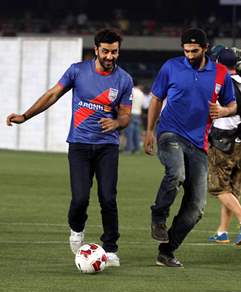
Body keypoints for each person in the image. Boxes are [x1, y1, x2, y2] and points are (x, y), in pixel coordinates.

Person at [6, 28, 133, 267]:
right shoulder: (77, 71)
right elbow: (52, 94)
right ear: (96, 50)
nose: (110, 56)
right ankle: (77, 230)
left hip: (107, 146)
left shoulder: (124, 79)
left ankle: (111, 248)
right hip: (79, 145)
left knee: (108, 198)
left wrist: (116, 123)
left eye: (114, 52)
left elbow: (126, 116)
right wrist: (25, 116)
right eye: (105, 51)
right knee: (80, 198)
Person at [144, 28, 237, 267]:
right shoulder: (171, 67)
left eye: (194, 51)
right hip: (169, 133)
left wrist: (224, 111)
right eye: (186, 50)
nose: (189, 55)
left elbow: (232, 103)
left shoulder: (220, 73)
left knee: (196, 208)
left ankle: (167, 251)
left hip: (199, 143)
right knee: (176, 173)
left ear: (205, 49)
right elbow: (156, 98)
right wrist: (149, 131)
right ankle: (158, 217)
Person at [208, 48, 241, 245]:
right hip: (240, 141)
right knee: (232, 189)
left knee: (218, 187)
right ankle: (222, 231)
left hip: (223, 142)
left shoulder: (219, 83)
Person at [124, 81, 145, 154]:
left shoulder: (131, 91)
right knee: (137, 132)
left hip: (130, 112)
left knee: (129, 132)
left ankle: (128, 149)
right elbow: (143, 105)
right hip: (138, 113)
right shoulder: (141, 93)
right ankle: (137, 149)